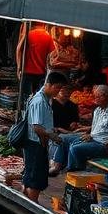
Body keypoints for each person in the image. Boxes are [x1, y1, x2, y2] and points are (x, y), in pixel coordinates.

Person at [50, 85, 108, 175]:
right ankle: (57, 166)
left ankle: (73, 171)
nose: (95, 100)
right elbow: (97, 127)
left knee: (74, 148)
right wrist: (87, 132)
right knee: (62, 138)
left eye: (98, 97)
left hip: (103, 144)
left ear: (106, 96)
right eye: (95, 97)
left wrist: (106, 145)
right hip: (93, 138)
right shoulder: (98, 110)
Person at [22, 71, 67, 202]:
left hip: (40, 143)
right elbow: (37, 127)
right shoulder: (39, 101)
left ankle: (27, 197)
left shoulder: (46, 99)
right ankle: (32, 204)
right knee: (35, 178)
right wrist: (52, 136)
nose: (58, 91)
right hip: (35, 144)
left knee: (32, 175)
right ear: (48, 84)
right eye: (57, 87)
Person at [18, 23, 58, 99]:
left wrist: (19, 68)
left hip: (27, 72)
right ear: (44, 24)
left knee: (26, 99)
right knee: (38, 98)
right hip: (41, 73)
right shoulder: (48, 36)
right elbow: (52, 55)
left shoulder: (28, 35)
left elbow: (19, 50)